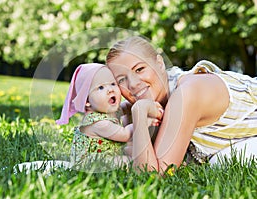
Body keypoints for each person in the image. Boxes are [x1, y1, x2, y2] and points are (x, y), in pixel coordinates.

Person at [106, 36, 257, 174]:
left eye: (139, 69)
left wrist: (139, 113)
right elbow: (137, 159)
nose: (132, 84)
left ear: (160, 63)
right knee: (220, 162)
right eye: (121, 80)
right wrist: (128, 120)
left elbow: (152, 175)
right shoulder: (160, 98)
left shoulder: (187, 93)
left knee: (220, 163)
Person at [56, 63, 145, 169]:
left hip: (106, 156)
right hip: (89, 163)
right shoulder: (98, 123)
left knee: (128, 154)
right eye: (101, 87)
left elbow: (125, 107)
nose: (110, 90)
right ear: (87, 101)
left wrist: (136, 103)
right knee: (128, 161)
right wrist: (143, 120)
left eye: (112, 84)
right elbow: (125, 135)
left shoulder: (106, 111)